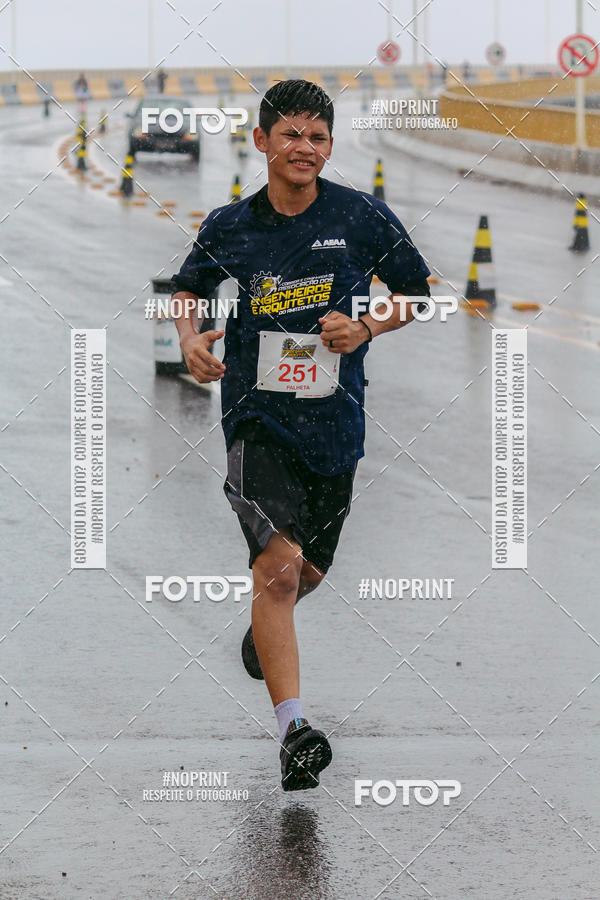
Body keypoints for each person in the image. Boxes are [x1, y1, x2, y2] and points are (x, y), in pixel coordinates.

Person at [170, 80, 431, 791]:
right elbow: (187, 287)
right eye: (290, 135)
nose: (304, 149)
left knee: (307, 573)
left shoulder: (363, 217)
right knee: (277, 570)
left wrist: (369, 325)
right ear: (261, 141)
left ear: (330, 146)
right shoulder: (232, 225)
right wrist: (190, 339)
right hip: (256, 421)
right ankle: (293, 730)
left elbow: (419, 292)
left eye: (317, 138)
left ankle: (265, 628)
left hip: (335, 422)